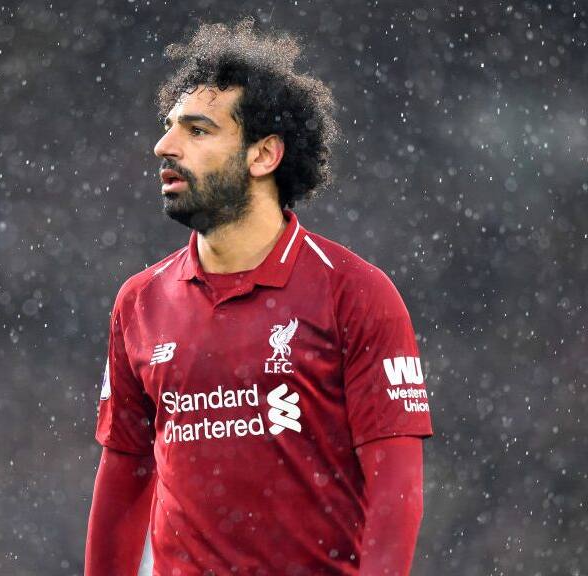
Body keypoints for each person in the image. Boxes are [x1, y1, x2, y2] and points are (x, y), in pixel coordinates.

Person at [85, 17, 433, 576]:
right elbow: (124, 476)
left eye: (197, 131)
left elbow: (397, 491)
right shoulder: (139, 302)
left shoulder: (355, 292)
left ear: (264, 154)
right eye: (170, 126)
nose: (163, 146)